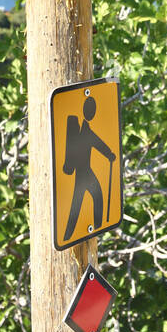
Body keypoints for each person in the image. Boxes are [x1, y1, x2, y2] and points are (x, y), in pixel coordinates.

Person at [62, 95, 116, 238]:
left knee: (95, 198)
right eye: (91, 110)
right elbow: (97, 142)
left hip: (86, 172)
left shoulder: (86, 128)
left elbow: (98, 143)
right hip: (82, 173)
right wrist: (109, 154)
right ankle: (67, 236)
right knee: (77, 206)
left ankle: (94, 230)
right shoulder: (81, 128)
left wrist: (109, 154)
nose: (93, 113)